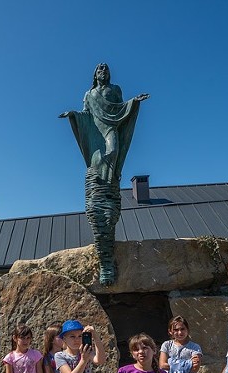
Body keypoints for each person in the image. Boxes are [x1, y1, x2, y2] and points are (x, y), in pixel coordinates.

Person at [59, 63, 149, 285]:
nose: (103, 72)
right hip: (94, 133)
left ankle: (110, 179)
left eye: (106, 70)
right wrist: (73, 115)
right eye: (100, 70)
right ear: (95, 75)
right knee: (98, 160)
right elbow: (86, 115)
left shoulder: (114, 90)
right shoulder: (89, 94)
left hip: (111, 129)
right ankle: (105, 261)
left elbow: (120, 109)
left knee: (113, 150)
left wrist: (133, 102)